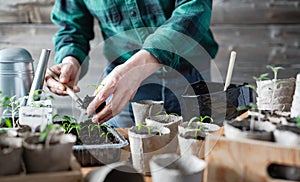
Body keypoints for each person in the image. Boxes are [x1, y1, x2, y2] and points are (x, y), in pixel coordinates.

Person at [46, 0, 218, 128]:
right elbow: (72, 25)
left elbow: (194, 8)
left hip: (190, 74)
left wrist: (139, 66)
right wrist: (71, 60)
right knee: (125, 160)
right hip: (122, 84)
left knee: (194, 155)